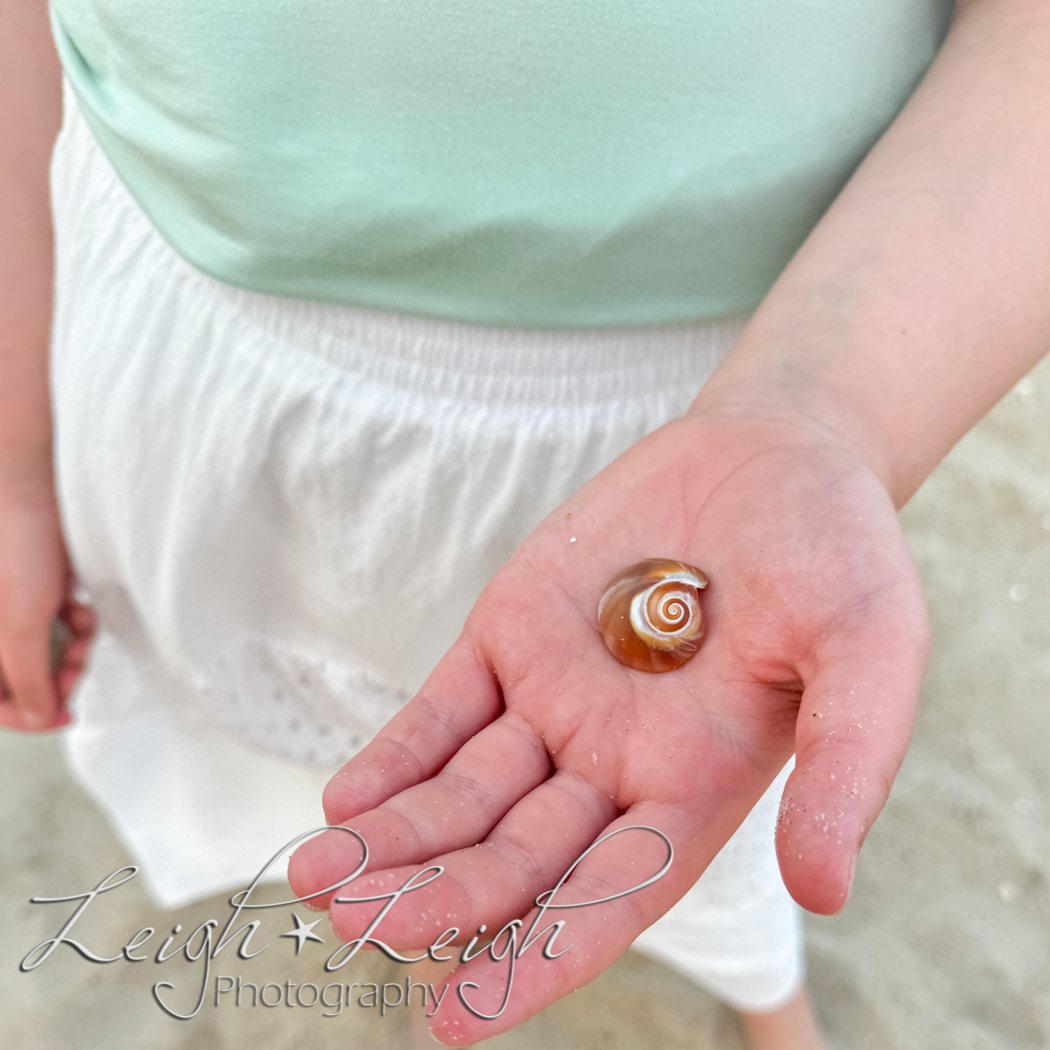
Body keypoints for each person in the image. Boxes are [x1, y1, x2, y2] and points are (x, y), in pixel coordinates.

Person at [2, 0, 1049, 1047]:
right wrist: (16, 479)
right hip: (199, 346)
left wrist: (819, 413)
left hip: (730, 377)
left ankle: (755, 981)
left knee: (668, 785)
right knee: (398, 759)